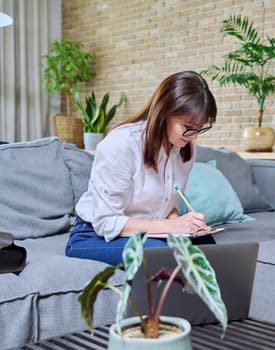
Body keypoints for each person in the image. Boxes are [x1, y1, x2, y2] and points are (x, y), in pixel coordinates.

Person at [66, 71, 217, 266]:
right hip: (93, 235)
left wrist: (185, 225)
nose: (194, 136)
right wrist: (172, 226)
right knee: (163, 255)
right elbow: (106, 222)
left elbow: (166, 203)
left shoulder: (185, 147)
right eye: (189, 126)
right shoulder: (121, 144)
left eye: (200, 128)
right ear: (165, 112)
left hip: (149, 233)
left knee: (210, 249)